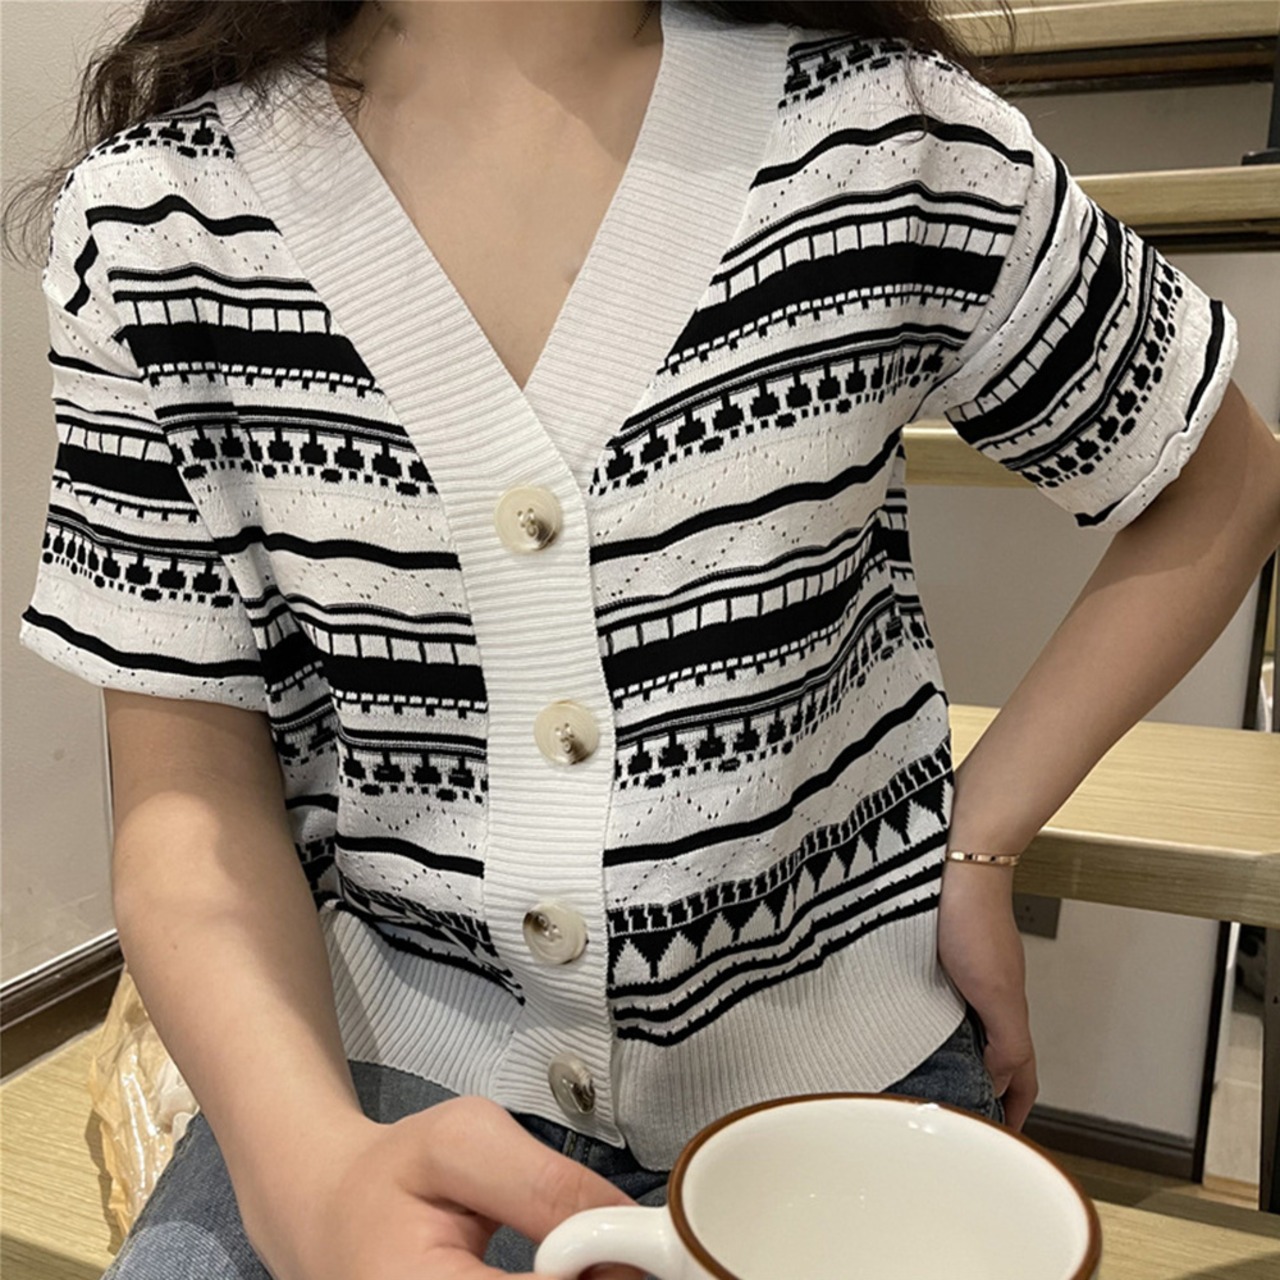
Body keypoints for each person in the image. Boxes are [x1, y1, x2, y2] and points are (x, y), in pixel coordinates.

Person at [9, 1, 1280, 1276]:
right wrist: (309, 1172)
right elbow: (188, 797)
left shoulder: (889, 141)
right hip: (363, 1076)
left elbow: (1219, 480)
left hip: (841, 1077)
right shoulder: (154, 226)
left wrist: (979, 837)